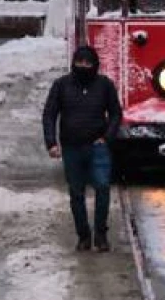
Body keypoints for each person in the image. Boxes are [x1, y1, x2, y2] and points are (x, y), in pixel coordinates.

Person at [43, 46, 122, 252]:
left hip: (98, 146)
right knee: (76, 192)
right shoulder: (61, 85)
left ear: (95, 64)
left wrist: (107, 138)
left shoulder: (105, 85)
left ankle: (101, 235)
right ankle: (83, 236)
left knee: (103, 188)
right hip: (71, 147)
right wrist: (51, 142)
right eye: (80, 62)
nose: (84, 66)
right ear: (73, 63)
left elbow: (115, 113)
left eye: (88, 63)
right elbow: (50, 114)